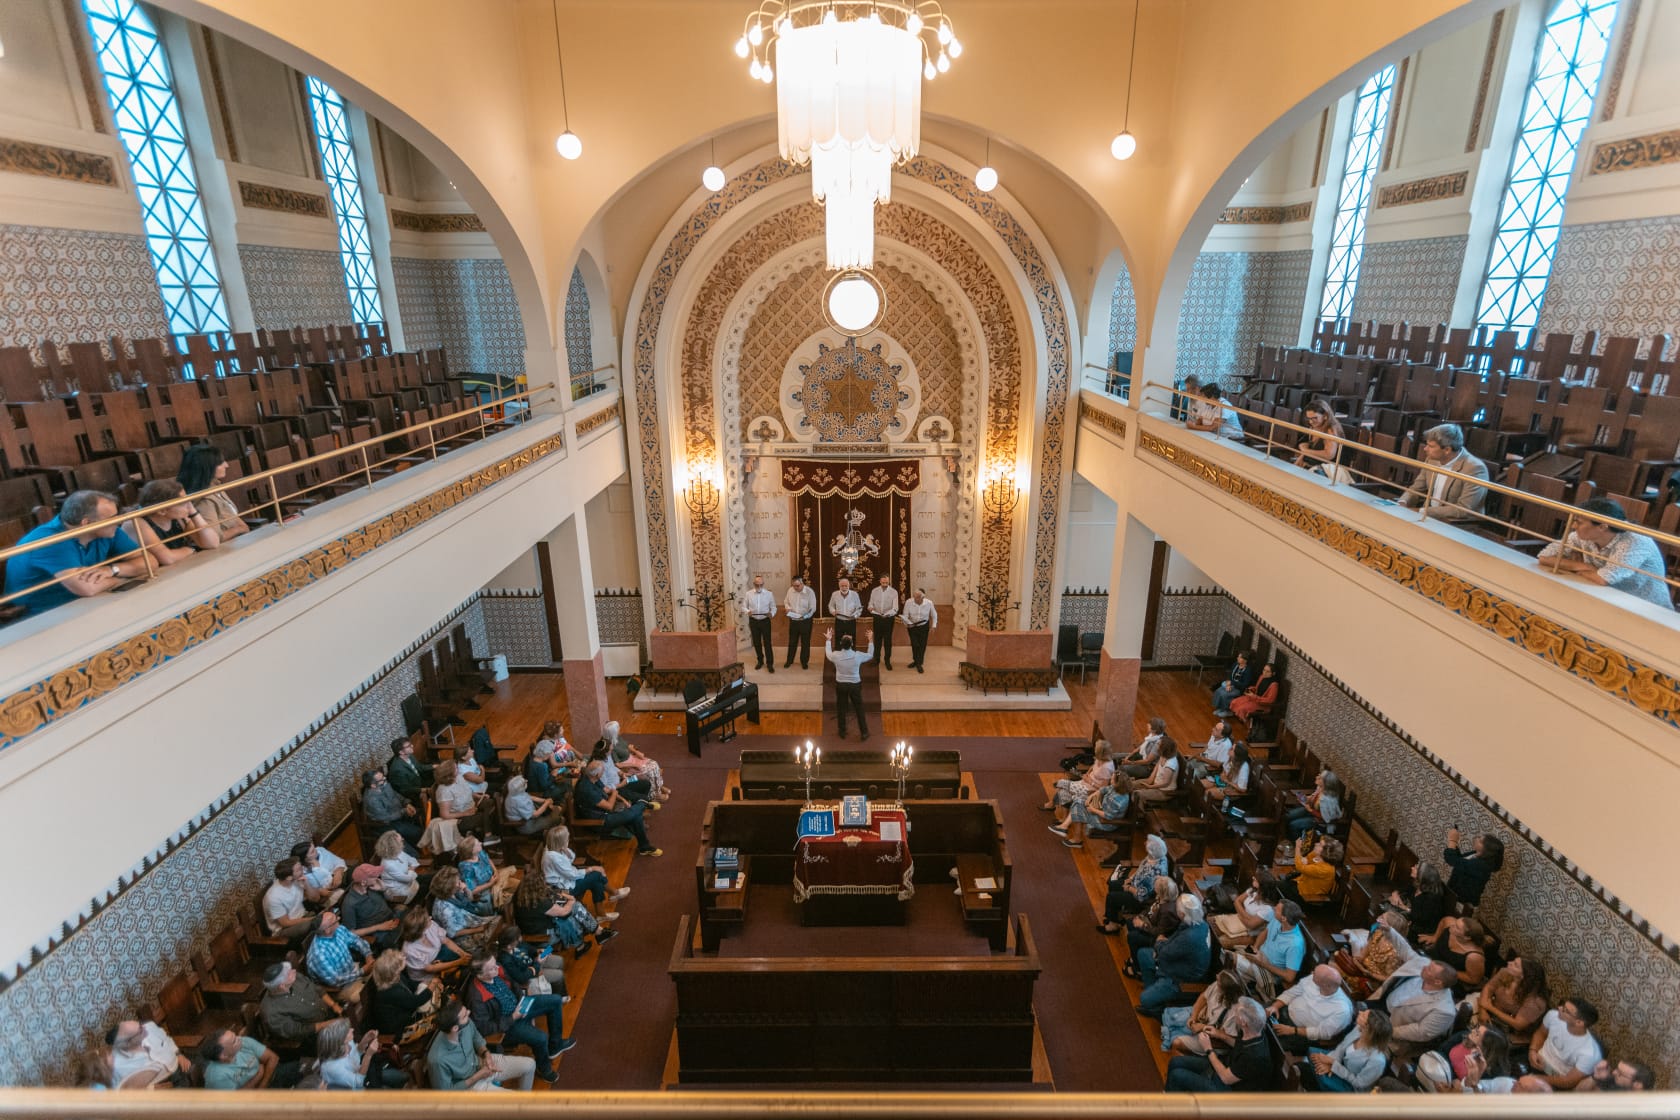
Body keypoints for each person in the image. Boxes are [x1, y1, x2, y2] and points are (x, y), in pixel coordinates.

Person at [2, 490, 149, 615]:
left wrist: (112, 570)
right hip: (41, 616)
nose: (119, 521)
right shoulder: (51, 540)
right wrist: (123, 579)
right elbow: (87, 589)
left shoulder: (107, 530)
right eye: (113, 518)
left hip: (83, 603)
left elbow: (149, 561)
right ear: (86, 523)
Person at [1538, 497, 1675, 610]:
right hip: (1610, 598)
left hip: (1648, 608)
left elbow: (1604, 579)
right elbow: (1544, 557)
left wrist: (1580, 569)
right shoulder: (1582, 536)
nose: (1574, 526)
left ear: (1603, 526)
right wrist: (1584, 567)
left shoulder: (1635, 541)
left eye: (1579, 522)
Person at [465, 954, 576, 1082]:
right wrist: (513, 1017)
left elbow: (513, 984)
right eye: (491, 968)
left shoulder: (497, 970)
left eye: (495, 963)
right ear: (480, 975)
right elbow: (484, 1028)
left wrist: (521, 999)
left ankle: (555, 1046)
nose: (497, 967)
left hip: (520, 1005)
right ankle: (544, 1069)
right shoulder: (475, 998)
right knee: (541, 1037)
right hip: (507, 1025)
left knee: (556, 1001)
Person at [427, 997, 537, 1091]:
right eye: (465, 1015)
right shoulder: (437, 1059)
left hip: (481, 1063)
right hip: (469, 1086)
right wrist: (478, 1076)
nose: (469, 1013)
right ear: (455, 1028)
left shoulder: (465, 1024)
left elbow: (477, 1038)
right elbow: (446, 1093)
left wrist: (486, 1055)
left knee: (530, 1064)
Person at [1164, 998, 1275, 1092]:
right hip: (1225, 1068)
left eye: (1236, 1013)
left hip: (1229, 1089)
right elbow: (1240, 1045)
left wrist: (1208, 1049)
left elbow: (1226, 1078)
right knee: (1176, 1062)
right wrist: (1220, 1035)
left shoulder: (1255, 1057)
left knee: (1176, 1075)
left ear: (1243, 1022)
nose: (1234, 1014)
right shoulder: (1253, 1030)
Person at [1135, 895, 1211, 1018]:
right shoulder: (1200, 923)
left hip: (1181, 977)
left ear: (1181, 914)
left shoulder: (1190, 936)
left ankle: (1156, 1006)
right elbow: (1171, 945)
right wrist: (1162, 946)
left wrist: (1159, 944)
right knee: (1143, 954)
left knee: (1144, 999)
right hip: (1175, 960)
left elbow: (1166, 952)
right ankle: (1154, 992)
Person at [1401, 423, 1489, 523]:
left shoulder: (1475, 468)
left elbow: (1463, 509)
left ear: (1447, 450)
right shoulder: (1432, 459)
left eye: (1431, 446)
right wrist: (1403, 501)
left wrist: (1421, 511)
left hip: (1457, 524)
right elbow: (1417, 487)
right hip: (1429, 517)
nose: (1425, 449)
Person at [575, 758, 661, 856]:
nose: (604, 773)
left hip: (605, 811)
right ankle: (643, 804)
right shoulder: (587, 790)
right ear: (597, 775)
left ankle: (645, 847)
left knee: (635, 816)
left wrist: (623, 799)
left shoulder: (592, 778)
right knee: (635, 812)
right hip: (600, 821)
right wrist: (615, 794)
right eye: (603, 771)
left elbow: (608, 791)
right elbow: (609, 806)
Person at [127, 479, 219, 565]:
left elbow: (212, 543)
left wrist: (193, 512)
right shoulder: (137, 522)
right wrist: (191, 549)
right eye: (183, 502)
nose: (189, 504)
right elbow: (167, 558)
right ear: (162, 511)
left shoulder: (178, 517)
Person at [1519, 997, 1603, 1091]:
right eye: (1563, 1006)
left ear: (1579, 1022)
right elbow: (1541, 1034)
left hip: (1556, 1079)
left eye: (1565, 1010)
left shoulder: (1590, 1054)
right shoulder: (1553, 1015)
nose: (1559, 1008)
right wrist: (1533, 1051)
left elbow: (1568, 1081)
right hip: (1536, 1060)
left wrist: (1539, 1078)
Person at [1374, 959, 1458, 1052]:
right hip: (1381, 1003)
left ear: (1437, 982)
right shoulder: (1422, 972)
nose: (1424, 967)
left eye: (1429, 969)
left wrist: (1386, 1030)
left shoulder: (1445, 1011)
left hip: (1390, 1028)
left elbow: (1420, 1032)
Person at [1268, 964, 1354, 1054]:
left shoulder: (1342, 1010)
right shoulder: (1312, 978)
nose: (1311, 973)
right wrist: (1275, 1006)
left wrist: (1292, 1030)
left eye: (1314, 974)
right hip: (1284, 1011)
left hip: (1300, 1033)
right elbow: (1292, 992)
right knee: (1258, 1019)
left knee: (1271, 1044)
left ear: (1326, 985)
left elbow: (1321, 1033)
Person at [542, 824, 627, 914]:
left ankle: (603, 910)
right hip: (564, 888)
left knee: (596, 880)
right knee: (597, 875)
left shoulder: (554, 847)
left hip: (567, 880)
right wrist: (591, 868)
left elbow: (571, 858)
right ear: (560, 842)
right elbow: (572, 875)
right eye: (566, 839)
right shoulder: (553, 857)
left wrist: (565, 849)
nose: (568, 840)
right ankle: (612, 895)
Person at [1301, 1007, 1392, 1092]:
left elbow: (1359, 1084)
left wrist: (1334, 1065)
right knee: (1307, 1060)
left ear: (1368, 1029)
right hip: (1340, 1065)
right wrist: (1331, 1063)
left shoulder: (1377, 1060)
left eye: (1363, 1015)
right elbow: (1342, 1046)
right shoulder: (1359, 1028)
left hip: (1350, 1088)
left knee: (1304, 1071)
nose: (1360, 1012)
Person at [1231, 899, 1307, 999]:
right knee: (1232, 961)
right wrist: (1255, 948)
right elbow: (1264, 932)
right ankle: (1237, 991)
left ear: (1284, 918)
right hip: (1259, 957)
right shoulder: (1277, 920)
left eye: (1277, 909)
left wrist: (1261, 963)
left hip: (1270, 972)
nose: (1274, 908)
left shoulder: (1295, 945)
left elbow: (1289, 977)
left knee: (1232, 960)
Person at [177, 442, 250, 543]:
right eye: (221, 463)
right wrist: (239, 529)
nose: (227, 465)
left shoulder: (215, 485)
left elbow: (232, 514)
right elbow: (216, 537)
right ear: (207, 468)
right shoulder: (204, 501)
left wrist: (243, 526)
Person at [258, 960, 340, 1049]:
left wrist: (333, 1005)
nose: (294, 971)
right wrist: (327, 1024)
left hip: (328, 1013)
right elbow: (299, 1031)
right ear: (282, 985)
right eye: (289, 973)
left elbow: (317, 989)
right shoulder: (271, 1012)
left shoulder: (297, 978)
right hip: (312, 1037)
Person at [1471, 956, 1549, 1047]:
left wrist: (1490, 1008)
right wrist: (1483, 1011)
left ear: (1523, 976)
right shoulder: (1505, 972)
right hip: (1491, 1007)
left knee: (1483, 1040)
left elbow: (1518, 1024)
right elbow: (1489, 988)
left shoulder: (1536, 1001)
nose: (1509, 963)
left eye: (1515, 965)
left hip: (1509, 1028)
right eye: (1513, 961)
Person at [1099, 834, 1169, 933]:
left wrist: (1128, 888)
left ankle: (1113, 926)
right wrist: (1130, 879)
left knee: (1112, 897)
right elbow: (1141, 869)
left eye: (1147, 842)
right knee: (1113, 884)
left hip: (1142, 899)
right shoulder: (1156, 856)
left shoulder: (1154, 872)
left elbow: (1142, 895)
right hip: (1136, 885)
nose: (1144, 843)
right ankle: (1115, 917)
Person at [1167, 969, 1246, 1057]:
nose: (1216, 982)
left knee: (1175, 1042)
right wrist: (1194, 1016)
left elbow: (1225, 1038)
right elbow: (1203, 997)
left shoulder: (1234, 1012)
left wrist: (1203, 1028)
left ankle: (1187, 1062)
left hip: (1214, 1041)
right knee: (1171, 1019)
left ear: (1226, 991)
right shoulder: (1217, 985)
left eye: (1218, 982)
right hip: (1203, 1020)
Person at [367, 948, 439, 1039]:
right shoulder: (391, 991)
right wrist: (432, 985)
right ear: (393, 973)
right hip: (397, 1027)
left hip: (405, 1011)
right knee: (435, 1016)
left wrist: (425, 982)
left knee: (431, 995)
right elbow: (416, 1002)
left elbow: (410, 984)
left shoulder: (394, 978)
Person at [317, 1018, 408, 1089]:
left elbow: (357, 1056)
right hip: (359, 1092)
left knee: (403, 1077)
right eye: (348, 1030)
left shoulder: (347, 1043)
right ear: (339, 1039)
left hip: (367, 1075)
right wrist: (368, 1055)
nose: (352, 1029)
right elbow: (358, 1082)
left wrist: (365, 1040)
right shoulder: (332, 1067)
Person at [106, 1018, 192, 1089]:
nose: (144, 1028)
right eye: (140, 1030)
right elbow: (122, 1091)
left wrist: (178, 1054)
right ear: (128, 1043)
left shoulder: (149, 1026)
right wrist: (151, 1089)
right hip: (164, 1086)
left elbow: (166, 1039)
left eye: (139, 1025)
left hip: (181, 1065)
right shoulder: (117, 1065)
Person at [198, 1028, 295, 1089]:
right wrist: (259, 1074)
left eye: (235, 1035)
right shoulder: (217, 1076)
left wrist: (263, 1084)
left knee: (306, 1068)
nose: (239, 1038)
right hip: (250, 1103)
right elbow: (238, 1100)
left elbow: (273, 1058)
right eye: (234, 1041)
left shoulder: (244, 1042)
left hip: (269, 1078)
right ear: (224, 1056)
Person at [824, 627, 875, 740]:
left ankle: (842, 731)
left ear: (841, 644)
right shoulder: (857, 655)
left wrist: (828, 639)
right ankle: (864, 732)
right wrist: (870, 640)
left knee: (841, 708)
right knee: (859, 709)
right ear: (851, 644)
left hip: (841, 685)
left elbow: (828, 653)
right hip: (855, 685)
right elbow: (870, 655)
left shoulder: (836, 655)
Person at [1418, 914, 1490, 992]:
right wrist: (1435, 937)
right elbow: (1444, 920)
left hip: (1448, 977)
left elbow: (1474, 979)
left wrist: (1448, 972)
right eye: (1455, 923)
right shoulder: (1450, 924)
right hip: (1432, 959)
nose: (1452, 926)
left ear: (1467, 938)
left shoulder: (1474, 956)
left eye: (1457, 927)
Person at [399, 905, 470, 982]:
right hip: (425, 974)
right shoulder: (410, 950)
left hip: (437, 957)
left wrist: (463, 954)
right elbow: (430, 968)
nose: (430, 917)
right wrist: (458, 962)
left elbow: (447, 941)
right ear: (420, 929)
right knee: (458, 976)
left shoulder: (431, 925)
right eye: (427, 919)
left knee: (466, 961)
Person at [305, 909, 373, 990]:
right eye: (335, 921)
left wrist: (368, 955)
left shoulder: (338, 929)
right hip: (338, 986)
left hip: (352, 970)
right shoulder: (319, 954)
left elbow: (356, 940)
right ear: (327, 930)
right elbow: (335, 980)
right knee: (366, 992)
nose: (339, 919)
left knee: (380, 973)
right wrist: (362, 972)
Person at [1066, 768, 1132, 848]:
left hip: (1107, 823)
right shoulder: (1116, 788)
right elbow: (1103, 789)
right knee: (1078, 801)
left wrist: (1092, 809)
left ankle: (1076, 839)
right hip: (1102, 811)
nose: (1110, 779)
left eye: (1112, 778)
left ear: (1117, 783)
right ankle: (1072, 834)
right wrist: (1091, 797)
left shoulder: (1116, 799)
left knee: (1078, 806)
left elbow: (1108, 816)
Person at [602, 720, 667, 800]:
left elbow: (627, 746)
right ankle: (654, 795)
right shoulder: (610, 746)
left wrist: (636, 752)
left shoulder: (617, 737)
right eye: (618, 728)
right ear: (613, 733)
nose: (620, 729)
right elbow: (617, 764)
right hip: (627, 765)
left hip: (632, 758)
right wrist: (634, 765)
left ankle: (659, 787)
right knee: (650, 770)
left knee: (654, 764)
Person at [361, 768, 423, 850]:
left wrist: (407, 803)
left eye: (384, 777)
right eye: (381, 779)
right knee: (416, 832)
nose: (385, 779)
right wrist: (404, 811)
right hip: (386, 824)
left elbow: (396, 795)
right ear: (373, 785)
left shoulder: (384, 784)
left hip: (398, 814)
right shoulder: (371, 800)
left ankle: (419, 845)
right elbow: (386, 818)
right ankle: (417, 850)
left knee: (421, 814)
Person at [1442, 828, 1504, 909]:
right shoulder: (1475, 853)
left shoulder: (1482, 866)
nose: (1476, 839)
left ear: (1486, 850)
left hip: (1461, 903)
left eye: (1480, 841)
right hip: (1454, 894)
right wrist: (1455, 845)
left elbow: (1451, 859)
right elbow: (1460, 860)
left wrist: (1452, 840)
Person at [434, 760, 495, 840]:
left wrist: (477, 796)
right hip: (459, 818)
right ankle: (488, 836)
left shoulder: (459, 777)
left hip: (472, 807)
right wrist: (465, 813)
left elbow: (467, 791)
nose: (458, 768)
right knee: (486, 816)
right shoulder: (444, 791)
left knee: (492, 803)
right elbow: (444, 815)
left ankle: (482, 833)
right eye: (456, 768)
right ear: (449, 773)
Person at [342, 864, 400, 948]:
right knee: (394, 941)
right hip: (376, 930)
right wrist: (378, 927)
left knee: (413, 922)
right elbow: (351, 932)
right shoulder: (349, 903)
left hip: (391, 917)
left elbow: (392, 899)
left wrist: (384, 889)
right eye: (373, 877)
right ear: (363, 882)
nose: (377, 877)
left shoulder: (373, 886)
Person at [262, 858, 318, 942]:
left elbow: (315, 898)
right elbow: (285, 923)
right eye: (299, 869)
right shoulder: (273, 897)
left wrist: (307, 883)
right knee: (311, 925)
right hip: (284, 930)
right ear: (289, 877)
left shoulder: (295, 880)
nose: (302, 869)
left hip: (303, 916)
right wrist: (311, 919)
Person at [1294, 396, 1345, 476]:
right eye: (1309, 418)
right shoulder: (1315, 426)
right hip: (1314, 465)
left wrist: (1305, 450)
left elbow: (1329, 455)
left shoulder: (1331, 430)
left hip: (1327, 470)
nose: (1311, 421)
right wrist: (1299, 460)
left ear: (1325, 416)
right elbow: (1309, 449)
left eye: (1315, 418)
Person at [1285, 768, 1343, 839]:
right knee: (1287, 816)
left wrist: (1310, 810)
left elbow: (1327, 819)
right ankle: (1289, 838)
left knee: (1293, 825)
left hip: (1321, 823)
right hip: (1312, 811)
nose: (1316, 777)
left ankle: (1298, 844)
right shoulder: (1320, 788)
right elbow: (1313, 798)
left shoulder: (1329, 799)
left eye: (1320, 778)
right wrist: (1305, 799)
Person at [1291, 835, 1342, 905]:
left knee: (1274, 886)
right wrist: (1304, 861)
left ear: (1325, 852)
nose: (1316, 844)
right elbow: (1307, 859)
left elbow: (1300, 867)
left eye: (1320, 845)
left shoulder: (1325, 869)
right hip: (1301, 884)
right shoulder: (1318, 857)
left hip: (1307, 897)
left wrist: (1298, 847)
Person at [741, 573, 777, 671]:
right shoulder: (748, 594)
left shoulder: (769, 594)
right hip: (754, 621)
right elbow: (743, 606)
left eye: (761, 584)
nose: (759, 586)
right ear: (754, 584)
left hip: (765, 621)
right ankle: (760, 661)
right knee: (756, 642)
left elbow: (773, 607)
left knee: (767, 643)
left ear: (763, 584)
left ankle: (770, 663)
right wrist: (748, 611)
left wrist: (772, 613)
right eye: (757, 585)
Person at [375, 830, 421, 904]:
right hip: (398, 892)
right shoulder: (388, 864)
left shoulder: (398, 851)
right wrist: (411, 870)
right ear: (394, 846)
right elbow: (407, 879)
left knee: (430, 880)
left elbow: (414, 861)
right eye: (400, 840)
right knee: (425, 890)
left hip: (409, 882)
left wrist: (410, 871)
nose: (403, 839)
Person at [782, 575, 818, 668]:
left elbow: (813, 608)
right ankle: (789, 661)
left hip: (805, 621)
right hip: (793, 620)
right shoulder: (790, 590)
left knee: (805, 642)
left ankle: (804, 662)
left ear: (802, 584)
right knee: (792, 642)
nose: (795, 588)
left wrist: (805, 616)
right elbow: (786, 601)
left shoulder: (809, 592)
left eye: (797, 586)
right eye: (794, 585)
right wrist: (788, 608)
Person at [867, 573, 900, 670]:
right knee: (877, 640)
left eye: (886, 582)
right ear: (880, 581)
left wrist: (887, 614)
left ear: (889, 581)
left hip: (888, 619)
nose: (885, 584)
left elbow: (895, 608)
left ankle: (887, 661)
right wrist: (870, 608)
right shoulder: (874, 591)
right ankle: (876, 659)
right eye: (883, 582)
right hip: (877, 618)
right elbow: (870, 603)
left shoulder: (894, 592)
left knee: (887, 641)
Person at [899, 587, 937, 672]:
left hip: (924, 626)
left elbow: (934, 615)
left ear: (923, 597)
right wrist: (907, 624)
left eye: (918, 597)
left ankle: (918, 663)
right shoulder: (909, 602)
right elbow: (905, 615)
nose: (915, 598)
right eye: (914, 596)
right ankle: (916, 661)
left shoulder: (929, 603)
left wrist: (933, 626)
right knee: (915, 644)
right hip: (912, 626)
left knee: (922, 645)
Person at [1136, 737, 1182, 804]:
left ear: (1164, 749)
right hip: (1155, 784)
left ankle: (1139, 813)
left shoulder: (1170, 765)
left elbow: (1165, 783)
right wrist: (1150, 780)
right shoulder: (1163, 755)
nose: (1156, 746)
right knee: (1131, 785)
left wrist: (1150, 787)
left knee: (1137, 794)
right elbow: (1156, 768)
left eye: (1158, 744)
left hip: (1164, 792)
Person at [386, 737, 431, 804]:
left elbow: (420, 767)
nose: (412, 746)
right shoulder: (398, 769)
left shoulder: (409, 756)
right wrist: (426, 790)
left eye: (410, 744)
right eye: (408, 746)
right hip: (412, 793)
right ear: (401, 752)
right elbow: (406, 790)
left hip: (419, 782)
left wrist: (435, 766)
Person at [1211, 651, 1256, 716]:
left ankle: (1228, 711)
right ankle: (1220, 708)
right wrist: (1228, 684)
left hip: (1239, 689)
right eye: (1238, 656)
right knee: (1219, 691)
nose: (1237, 658)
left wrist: (1232, 683)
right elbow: (1230, 675)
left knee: (1224, 694)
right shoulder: (1235, 664)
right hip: (1231, 685)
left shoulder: (1248, 670)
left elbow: (1245, 684)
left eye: (1240, 657)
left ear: (1245, 660)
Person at [1576, 1057, 1657, 1092]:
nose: (1614, 1072)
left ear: (1637, 1085)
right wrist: (1595, 1077)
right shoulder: (1615, 1080)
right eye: (1617, 1069)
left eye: (1620, 1073)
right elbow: (1578, 1092)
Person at [828, 576, 863, 644]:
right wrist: (833, 611)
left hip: (851, 621)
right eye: (842, 586)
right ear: (839, 586)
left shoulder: (855, 594)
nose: (844, 588)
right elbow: (831, 606)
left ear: (849, 585)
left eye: (846, 586)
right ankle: (838, 654)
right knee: (838, 641)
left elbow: (859, 608)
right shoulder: (834, 594)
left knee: (852, 641)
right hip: (839, 621)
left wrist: (855, 616)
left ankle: (852, 654)